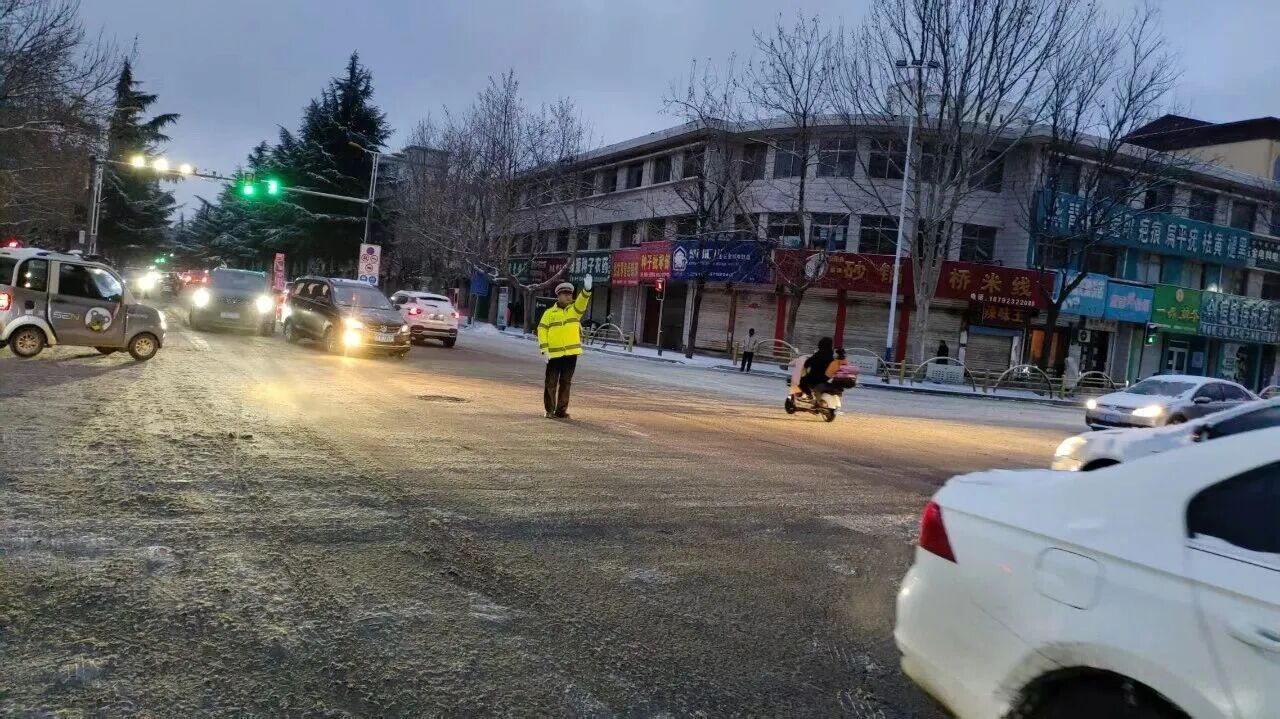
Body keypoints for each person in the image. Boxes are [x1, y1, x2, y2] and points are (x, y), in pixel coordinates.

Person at [538, 275, 592, 419]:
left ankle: (561, 410)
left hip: (571, 354)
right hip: (554, 354)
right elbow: (542, 330)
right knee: (551, 382)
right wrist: (545, 350)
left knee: (566, 382)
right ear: (558, 296)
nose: (569, 296)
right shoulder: (549, 313)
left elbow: (582, 302)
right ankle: (549, 410)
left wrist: (586, 290)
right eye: (565, 294)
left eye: (570, 294)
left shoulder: (575, 311)